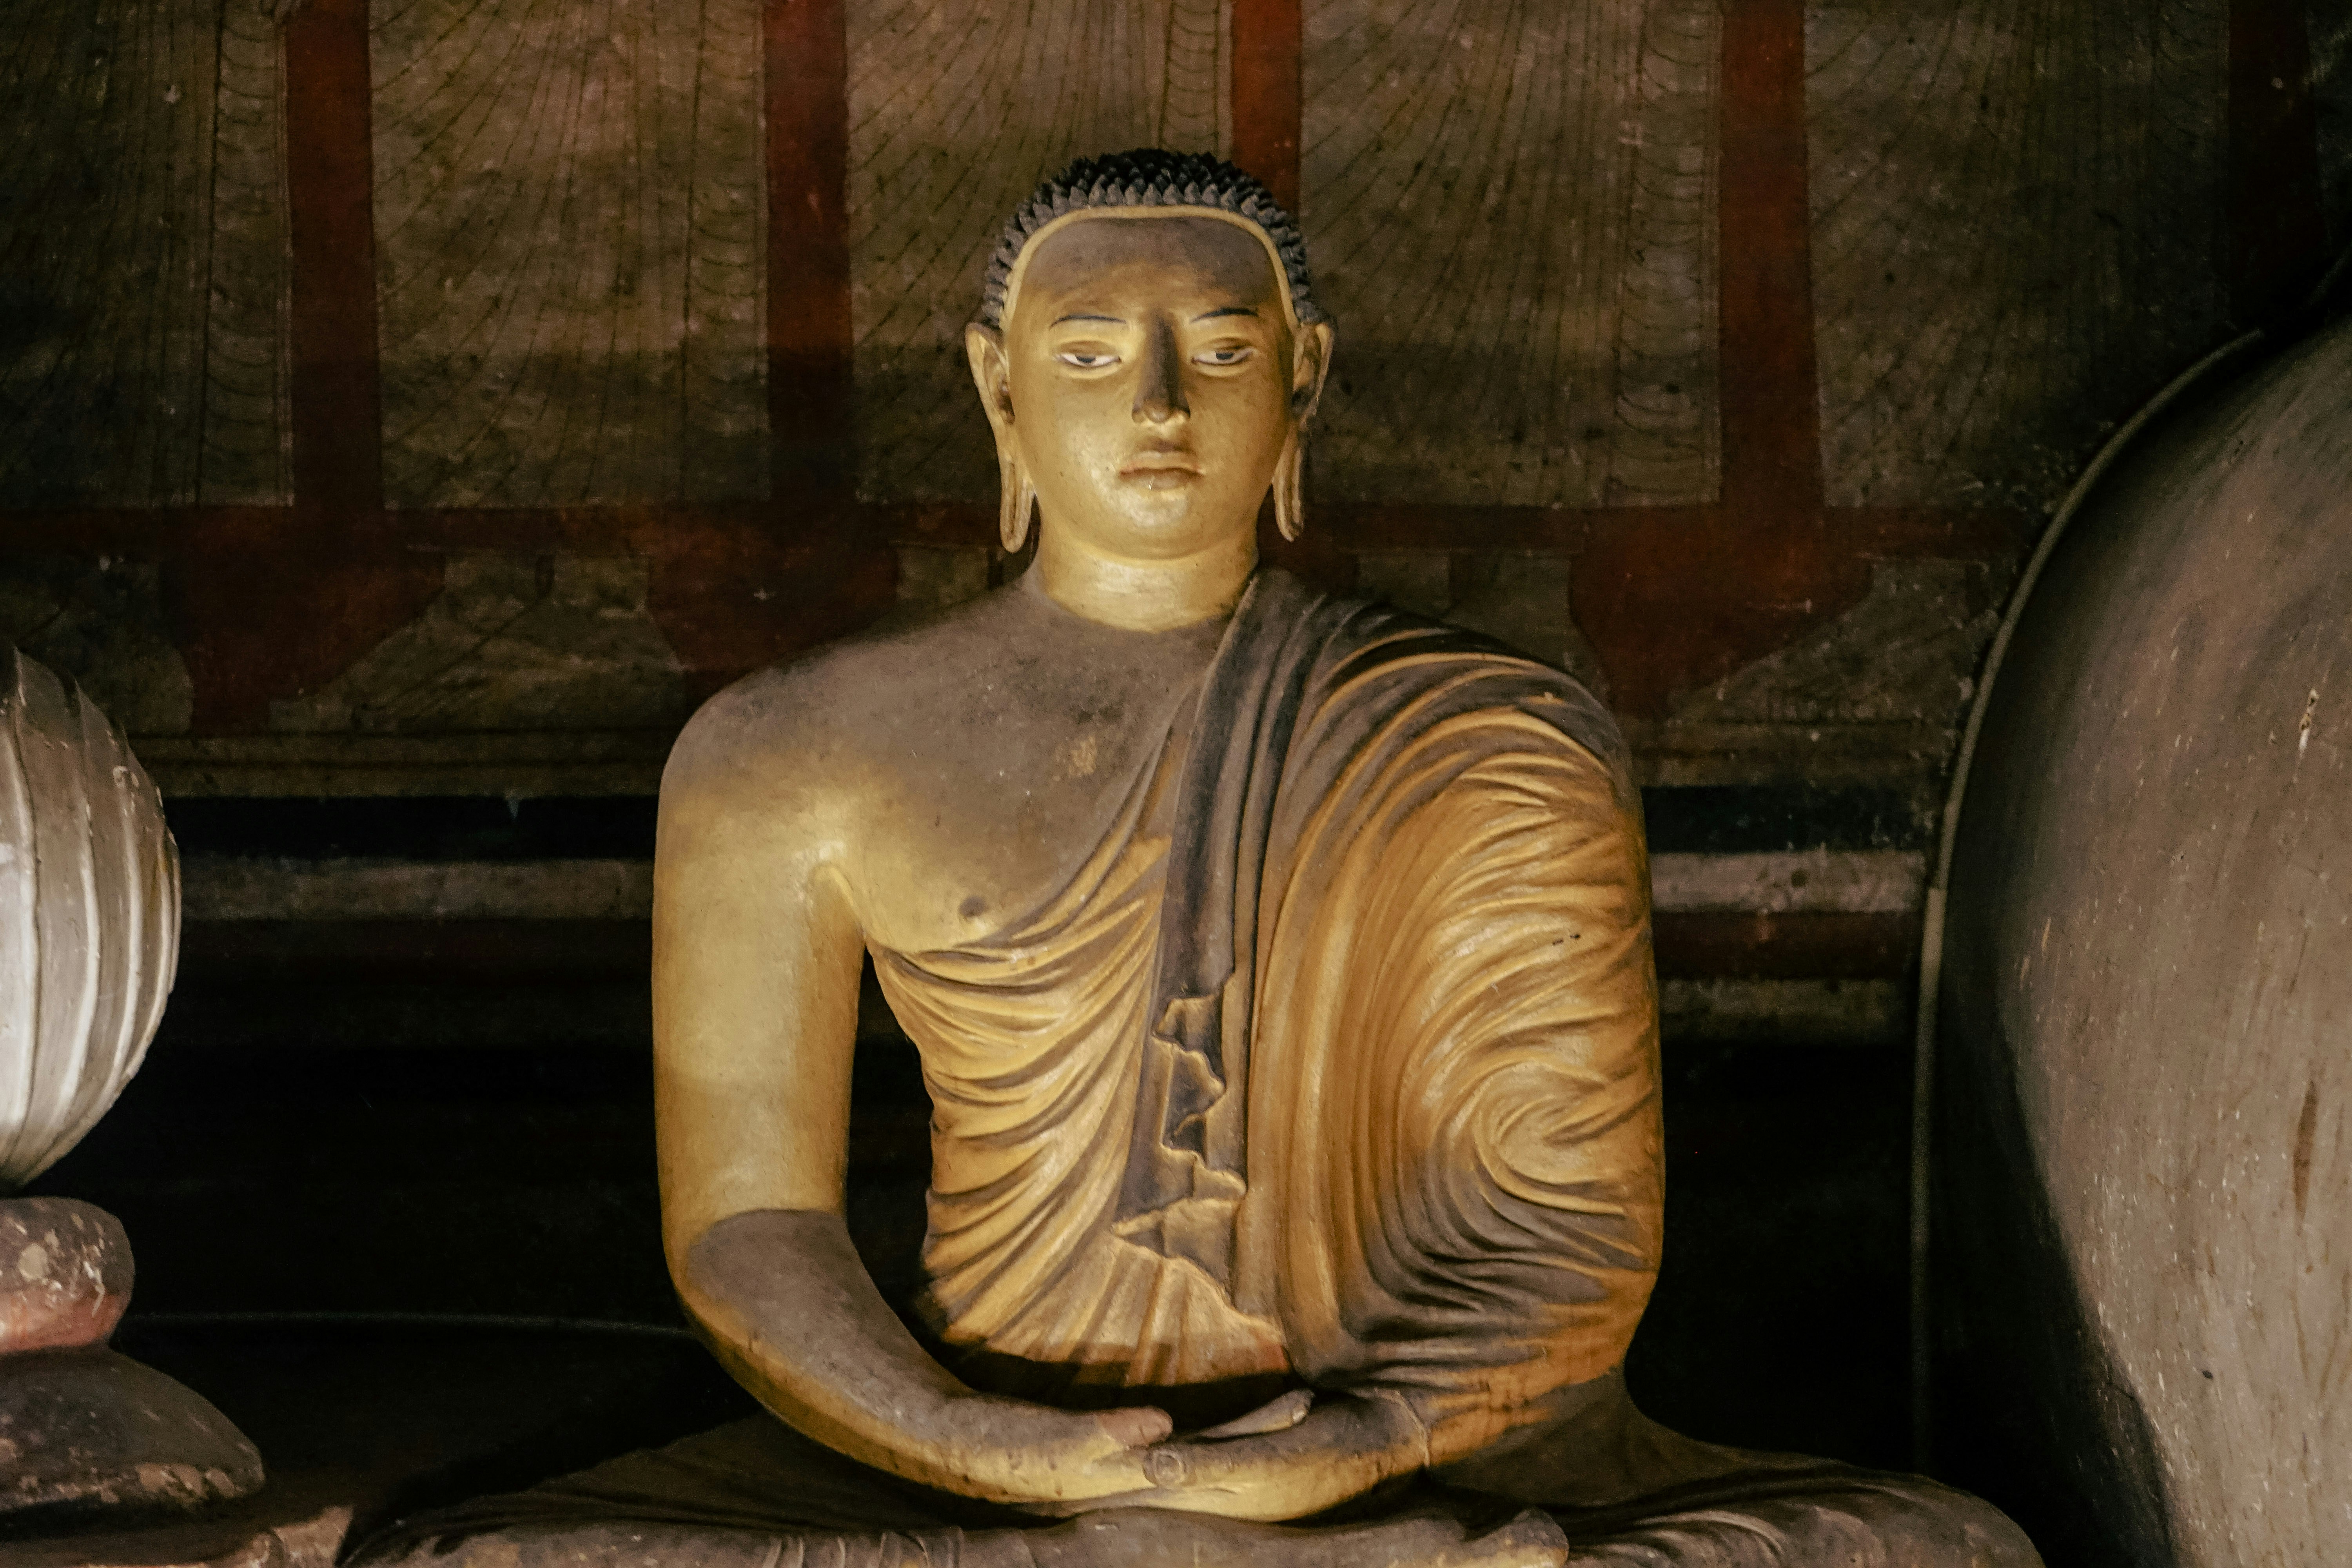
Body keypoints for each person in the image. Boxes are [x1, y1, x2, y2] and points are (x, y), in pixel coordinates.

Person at [356, 150, 2038, 1568]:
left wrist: (1367, 1429)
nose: (1158, 404)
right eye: (1090, 354)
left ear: (1306, 374)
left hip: (1406, 1468)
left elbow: (1570, 1225)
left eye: (1217, 353)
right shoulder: (781, 752)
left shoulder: (1493, 732)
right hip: (983, 1482)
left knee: (1942, 1548)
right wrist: (966, 1437)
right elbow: (747, 1224)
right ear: (992, 379)